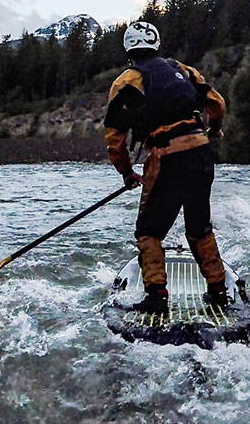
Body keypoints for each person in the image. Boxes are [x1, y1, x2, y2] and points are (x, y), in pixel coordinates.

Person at [103, 21, 228, 314]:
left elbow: (114, 137)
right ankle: (219, 290)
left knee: (149, 232)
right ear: (156, 45)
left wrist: (126, 173)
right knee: (199, 227)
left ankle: (157, 296)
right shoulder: (183, 70)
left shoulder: (126, 82)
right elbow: (217, 104)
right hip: (200, 154)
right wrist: (214, 130)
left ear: (128, 50)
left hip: (167, 157)